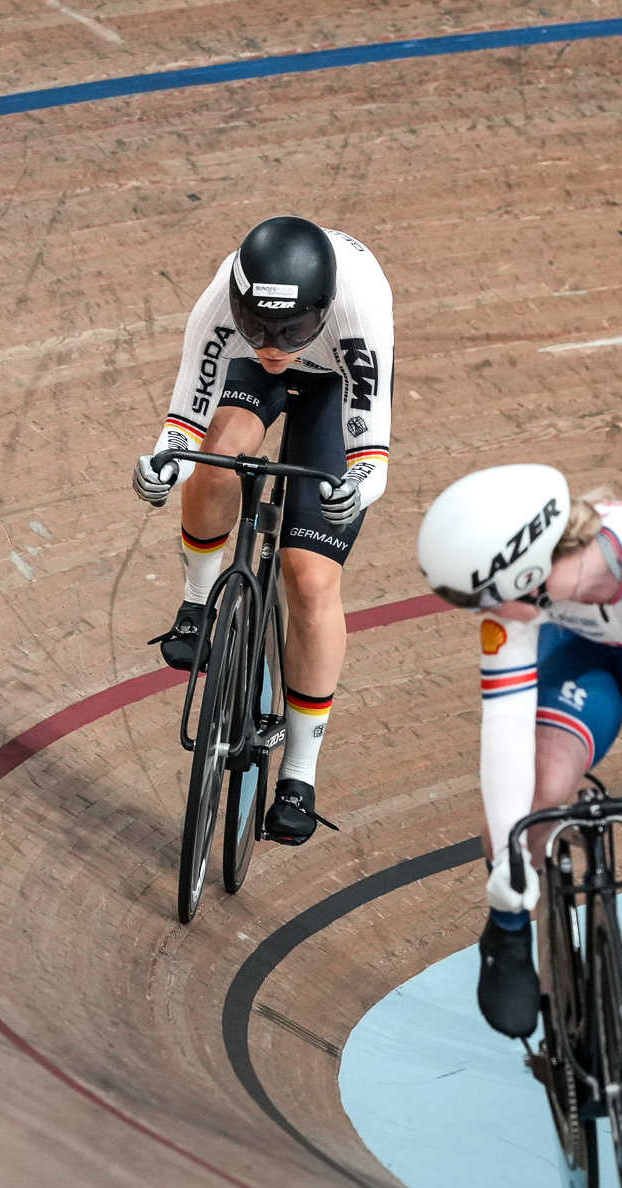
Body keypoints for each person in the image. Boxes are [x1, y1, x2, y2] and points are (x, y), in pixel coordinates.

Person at [416, 464, 622, 1188]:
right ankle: (507, 928)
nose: (483, 610)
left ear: (526, 571)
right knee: (539, 790)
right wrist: (508, 864)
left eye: (483, 596)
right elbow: (503, 727)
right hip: (587, 662)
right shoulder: (515, 601)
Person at [132, 217, 394, 844]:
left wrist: (353, 489)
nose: (275, 344)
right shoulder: (222, 298)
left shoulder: (360, 309)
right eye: (258, 328)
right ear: (239, 306)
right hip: (247, 381)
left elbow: (372, 452)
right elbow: (185, 418)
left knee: (309, 579)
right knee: (219, 458)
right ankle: (196, 607)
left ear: (324, 311)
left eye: (293, 330)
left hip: (335, 387)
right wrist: (164, 462)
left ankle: (299, 774)